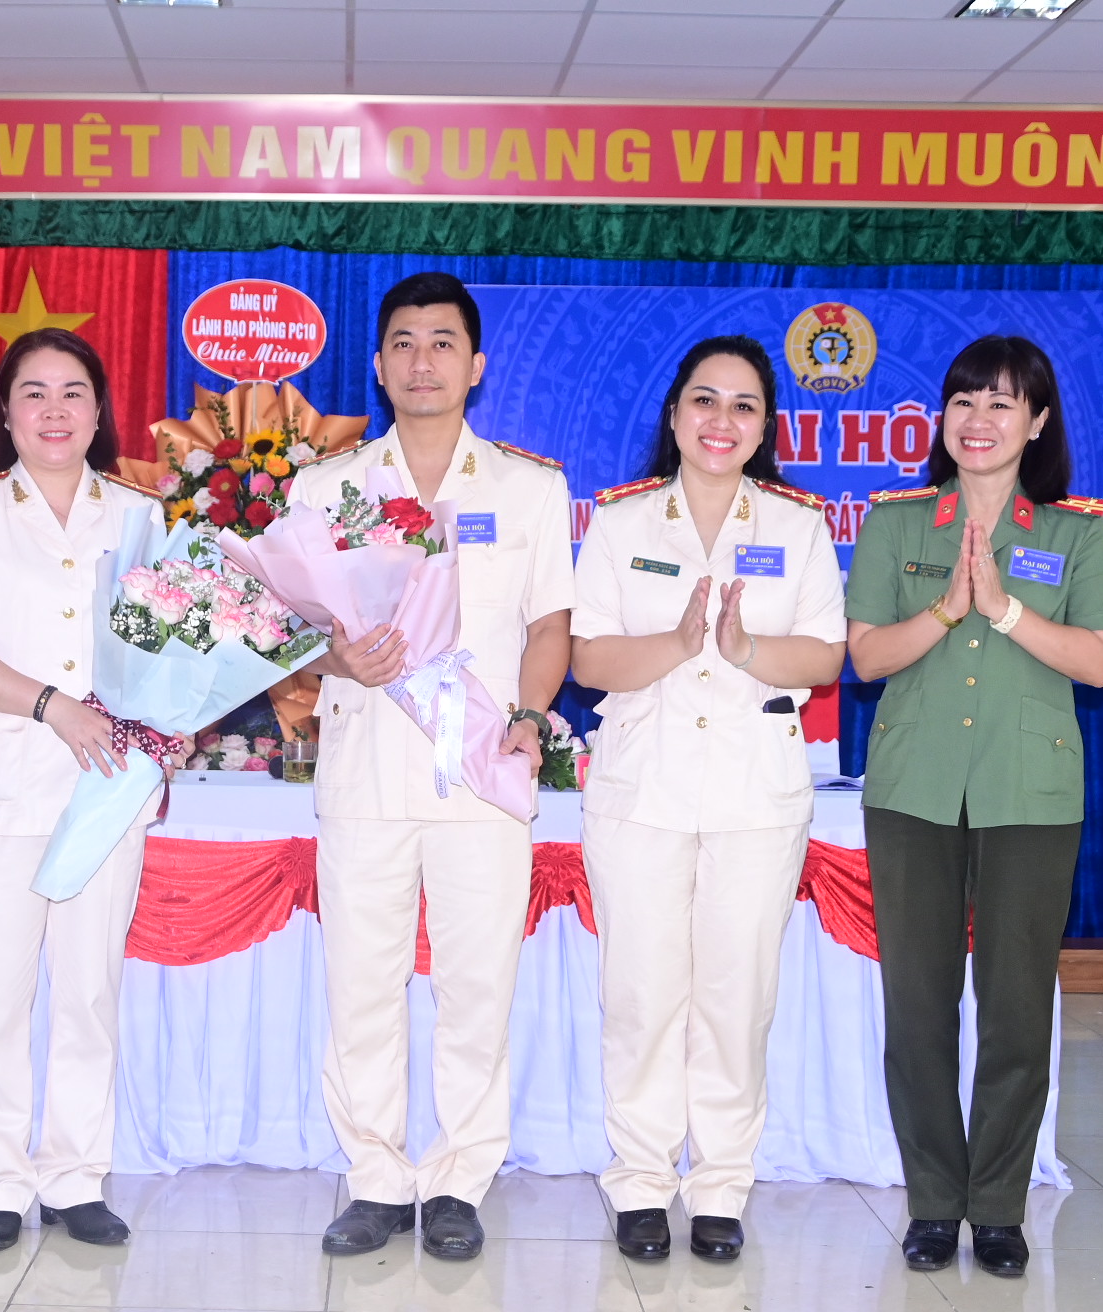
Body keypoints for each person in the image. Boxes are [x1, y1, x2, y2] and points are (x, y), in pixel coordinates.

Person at [287, 272, 574, 1261]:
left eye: (443, 342)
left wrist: (530, 717)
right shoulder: (326, 488)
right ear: (378, 364)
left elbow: (550, 625)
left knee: (476, 988)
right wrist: (337, 660)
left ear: (476, 364)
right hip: (364, 767)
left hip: (482, 771)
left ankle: (457, 1181)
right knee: (362, 984)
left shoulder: (530, 489)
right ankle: (374, 1178)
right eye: (404, 343)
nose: (423, 361)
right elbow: (290, 635)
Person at [845, 335, 1103, 1279]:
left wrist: (1003, 607)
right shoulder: (895, 525)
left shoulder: (1078, 535)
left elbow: (1098, 662)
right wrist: (945, 610)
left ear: (1037, 422)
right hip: (914, 788)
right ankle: (934, 1202)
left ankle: (998, 1207)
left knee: (1015, 1008)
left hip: (1029, 793)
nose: (979, 420)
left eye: (1003, 404)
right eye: (964, 400)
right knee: (918, 1005)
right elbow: (866, 658)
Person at [572, 336, 848, 1263]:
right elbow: (587, 658)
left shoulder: (799, 528)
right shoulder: (621, 523)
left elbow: (825, 656)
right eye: (704, 399)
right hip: (641, 790)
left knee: (737, 998)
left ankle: (721, 1186)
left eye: (742, 406)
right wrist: (677, 642)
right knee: (641, 997)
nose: (720, 421)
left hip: (754, 796)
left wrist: (743, 651)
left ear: (765, 428)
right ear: (675, 414)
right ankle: (642, 1184)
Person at [0, 327, 166, 1252]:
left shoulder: (144, 515)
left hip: (109, 786)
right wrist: (51, 705)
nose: (54, 411)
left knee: (89, 992)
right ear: (7, 412)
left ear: (99, 413)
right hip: (2, 781)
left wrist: (168, 721)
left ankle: (75, 1176)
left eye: (73, 394)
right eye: (34, 393)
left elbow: (171, 647)